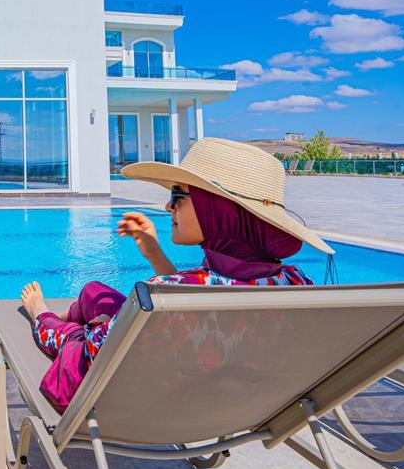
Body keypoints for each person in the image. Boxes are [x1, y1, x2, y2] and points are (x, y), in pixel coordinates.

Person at [19, 137, 333, 413]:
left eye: (178, 196)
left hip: (141, 401)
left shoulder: (163, 296)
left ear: (216, 209)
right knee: (94, 292)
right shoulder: (295, 283)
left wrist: (40, 313)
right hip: (223, 405)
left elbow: (85, 357)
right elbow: (195, 311)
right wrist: (153, 252)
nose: (168, 207)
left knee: (78, 325)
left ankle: (63, 316)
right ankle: (77, 312)